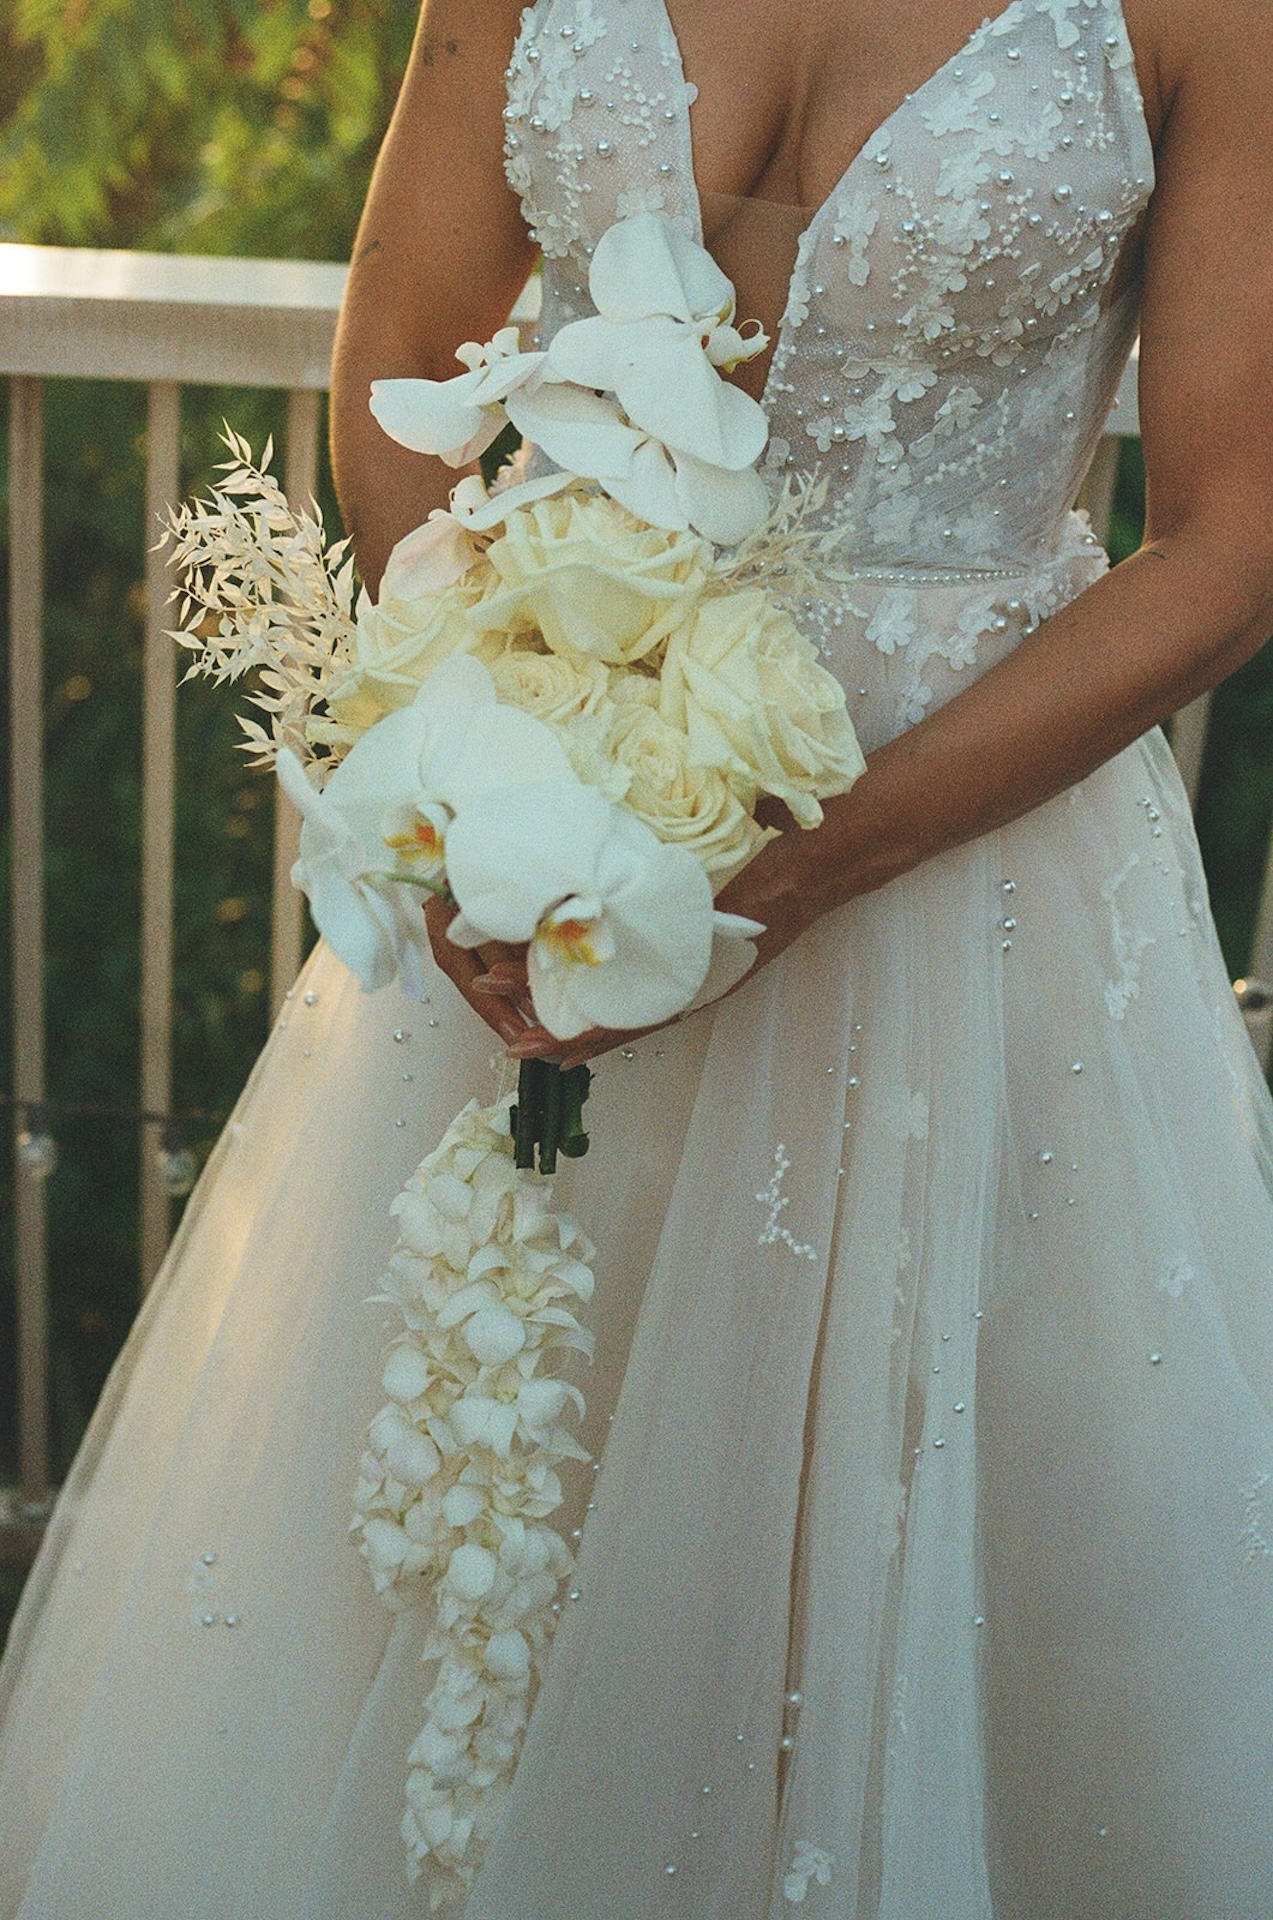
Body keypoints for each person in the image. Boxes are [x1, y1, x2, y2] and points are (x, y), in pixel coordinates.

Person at [4, 0, 1273, 1913]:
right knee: (484, 1519)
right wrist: (474, 772)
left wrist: (786, 874)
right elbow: (399, 357)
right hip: (561, 819)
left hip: (968, 887)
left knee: (952, 1575)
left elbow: (1232, 539)